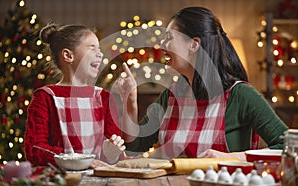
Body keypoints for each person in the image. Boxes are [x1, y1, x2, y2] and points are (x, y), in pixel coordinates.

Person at [116, 7, 288, 161]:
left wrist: (232, 157)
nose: (161, 46)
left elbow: (288, 147)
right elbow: (134, 147)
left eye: (168, 38)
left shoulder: (241, 95)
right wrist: (129, 103)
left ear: (193, 45)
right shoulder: (170, 96)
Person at [24, 23, 125, 167]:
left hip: (100, 184)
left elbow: (113, 159)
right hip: (61, 182)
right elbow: (35, 150)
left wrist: (112, 152)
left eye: (99, 49)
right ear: (68, 55)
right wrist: (76, 161)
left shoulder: (104, 98)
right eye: (92, 48)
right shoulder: (45, 97)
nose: (100, 54)